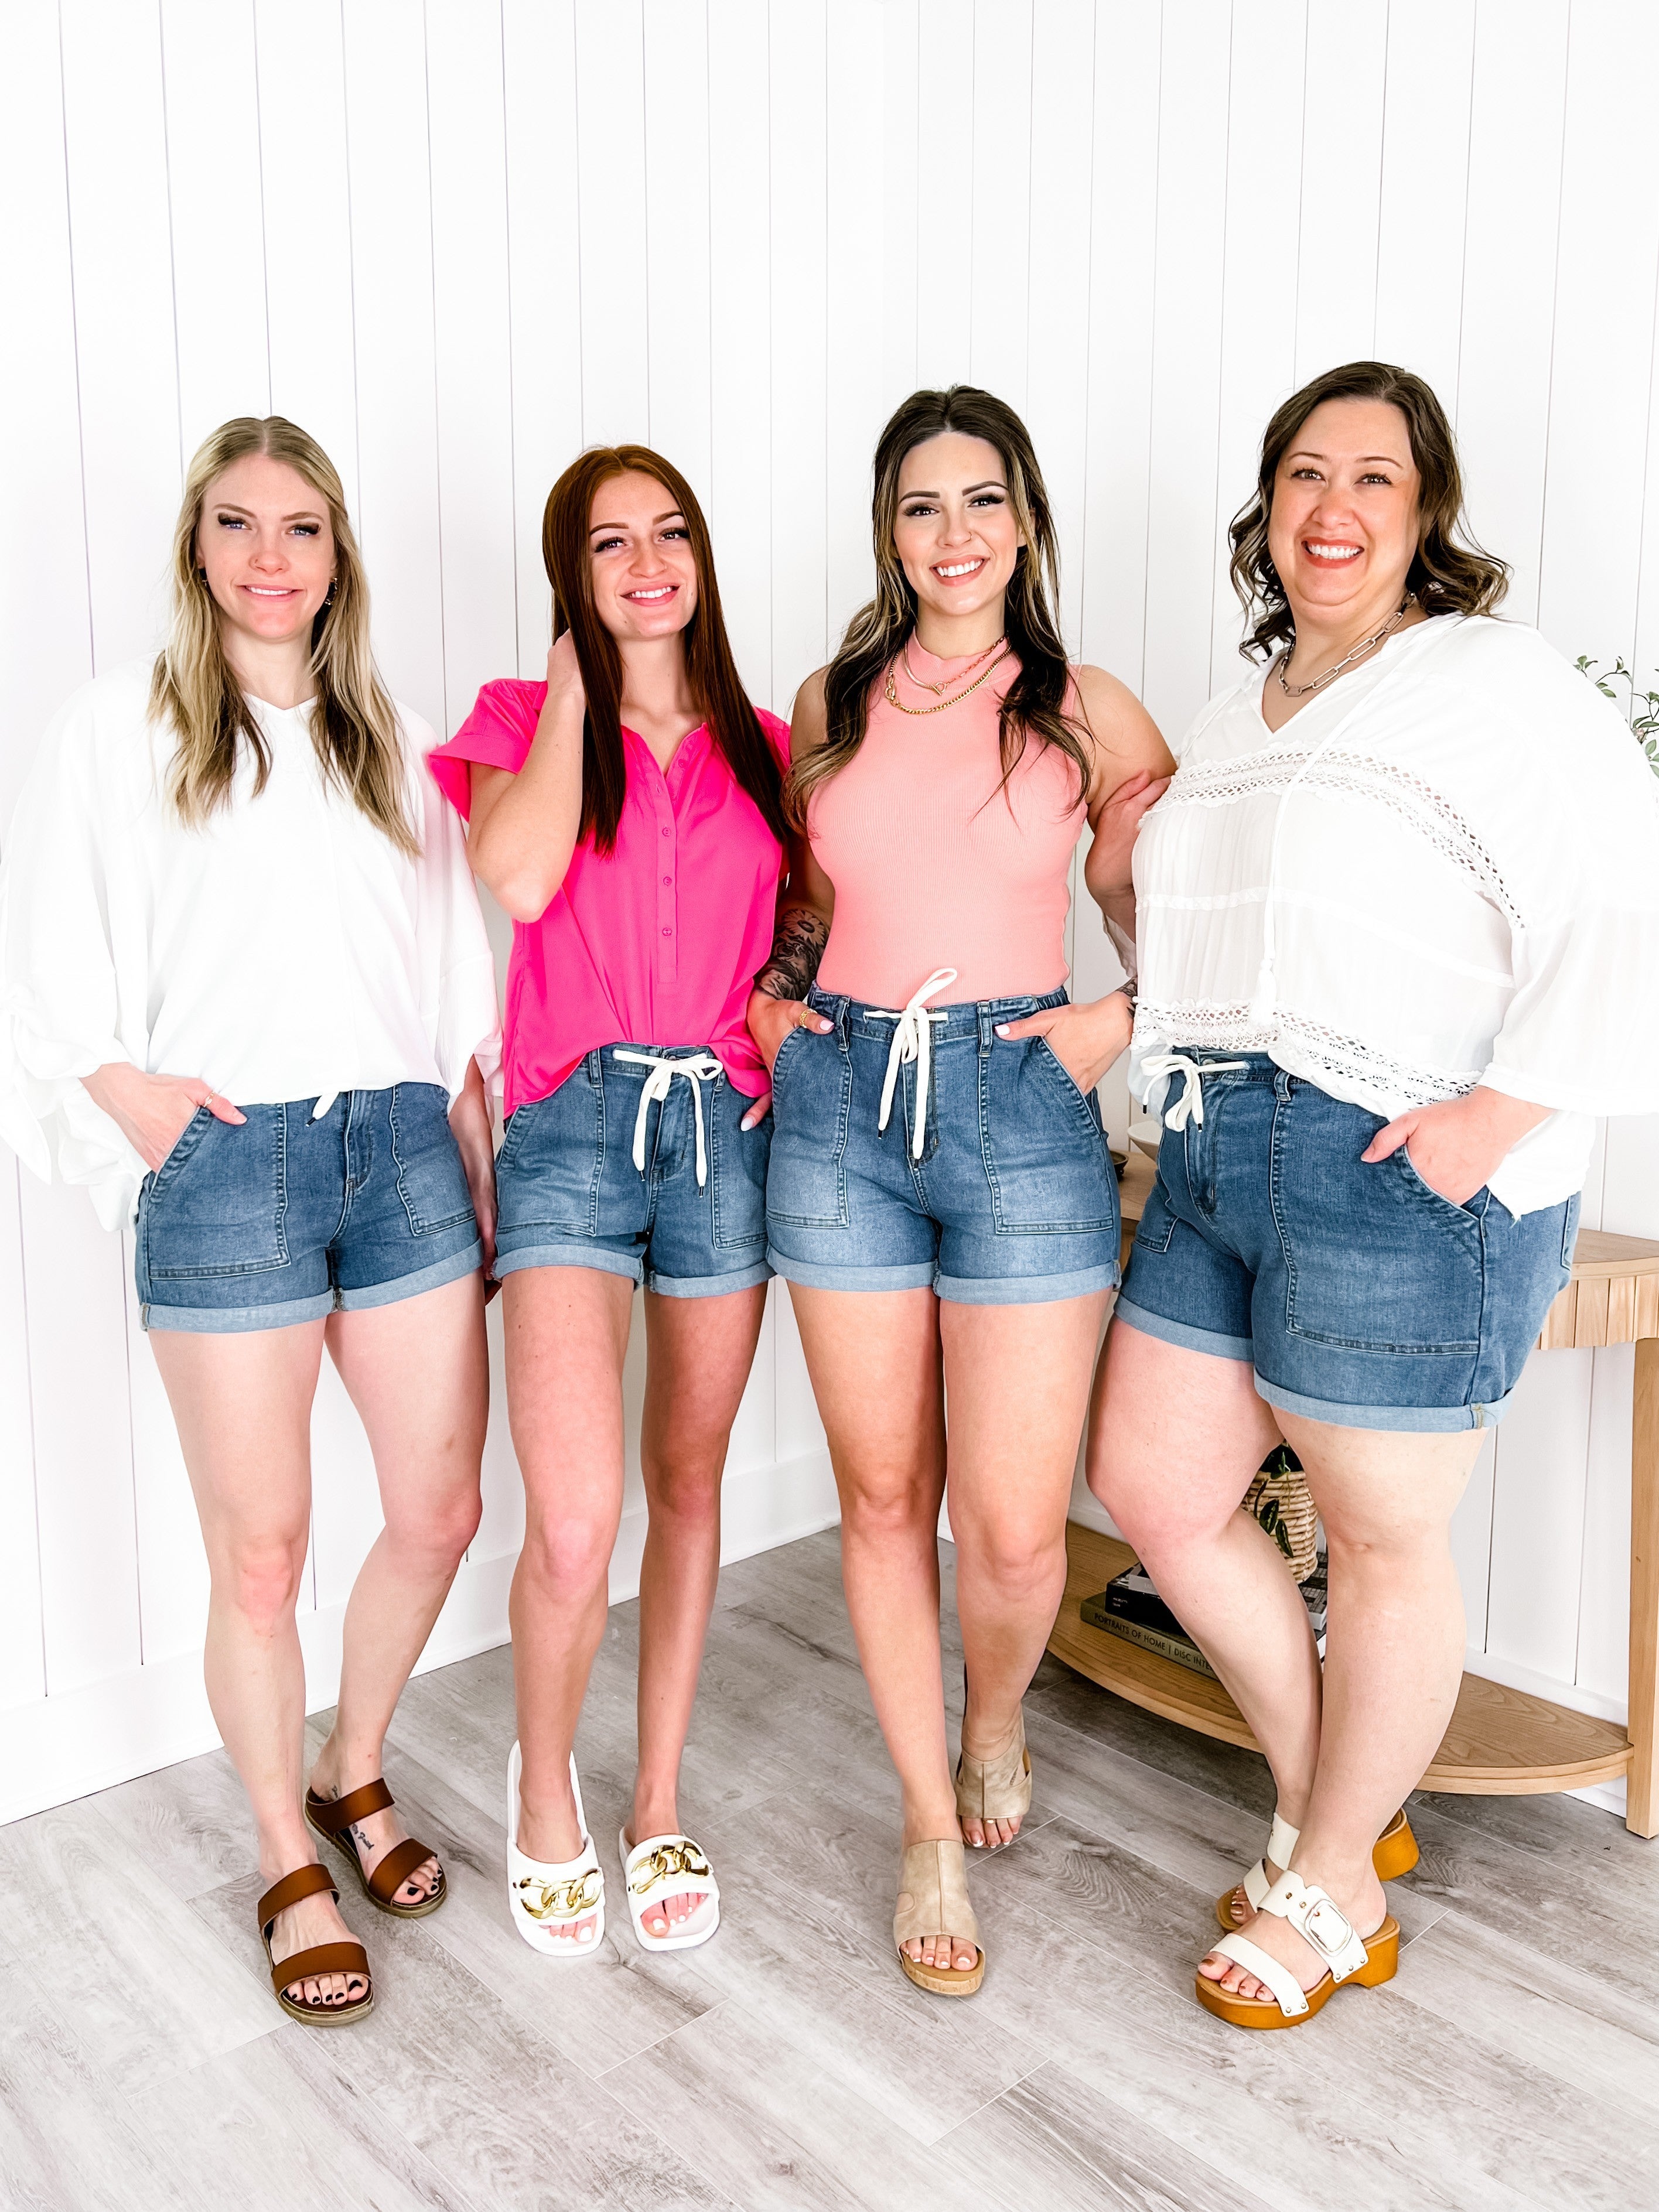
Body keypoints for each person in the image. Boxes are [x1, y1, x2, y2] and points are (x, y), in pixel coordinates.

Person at [1087, 360, 1659, 2029]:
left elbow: (1627, 891)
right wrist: (1123, 886)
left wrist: (1498, 1118)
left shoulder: (1489, 677)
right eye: (1305, 475)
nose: (1333, 508)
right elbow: (1207, 953)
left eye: (1375, 479)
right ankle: (1331, 1815)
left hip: (1394, 1170)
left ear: (1426, 515)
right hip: (1214, 1152)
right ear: (1269, 508)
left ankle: (1332, 1879)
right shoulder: (1233, 717)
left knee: (1380, 1538)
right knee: (1156, 1485)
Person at [0, 418, 501, 2026]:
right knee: (264, 1547)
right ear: (196, 546)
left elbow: (446, 949)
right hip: (226, 1161)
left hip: (402, 1146)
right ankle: (288, 1850)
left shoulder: (386, 736)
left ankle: (354, 1761)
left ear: (338, 555)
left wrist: (472, 1130)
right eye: (237, 524)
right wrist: (124, 1096)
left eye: (301, 527)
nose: (270, 556)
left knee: (438, 1509)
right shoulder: (122, 728)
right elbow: (43, 940)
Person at [750, 385, 1173, 1995]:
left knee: (1007, 1531)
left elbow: (1194, 902)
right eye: (922, 504)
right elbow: (812, 895)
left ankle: (994, 1714)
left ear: (1028, 518)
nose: (954, 534)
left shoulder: (1086, 710)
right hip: (842, 1107)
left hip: (1020, 1101)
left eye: (983, 499)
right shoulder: (832, 698)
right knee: (881, 1499)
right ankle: (928, 1819)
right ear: (889, 527)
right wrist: (779, 999)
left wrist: (1126, 1017)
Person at [431, 445, 788, 1958]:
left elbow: (806, 926)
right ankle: (544, 1795)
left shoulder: (770, 745)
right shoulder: (521, 720)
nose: (648, 563)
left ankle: (654, 1798)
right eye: (609, 543)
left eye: (671, 533)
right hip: (570, 1128)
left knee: (688, 1484)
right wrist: (583, 686)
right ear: (570, 577)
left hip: (725, 1132)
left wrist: (777, 1018)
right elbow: (518, 880)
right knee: (576, 1521)